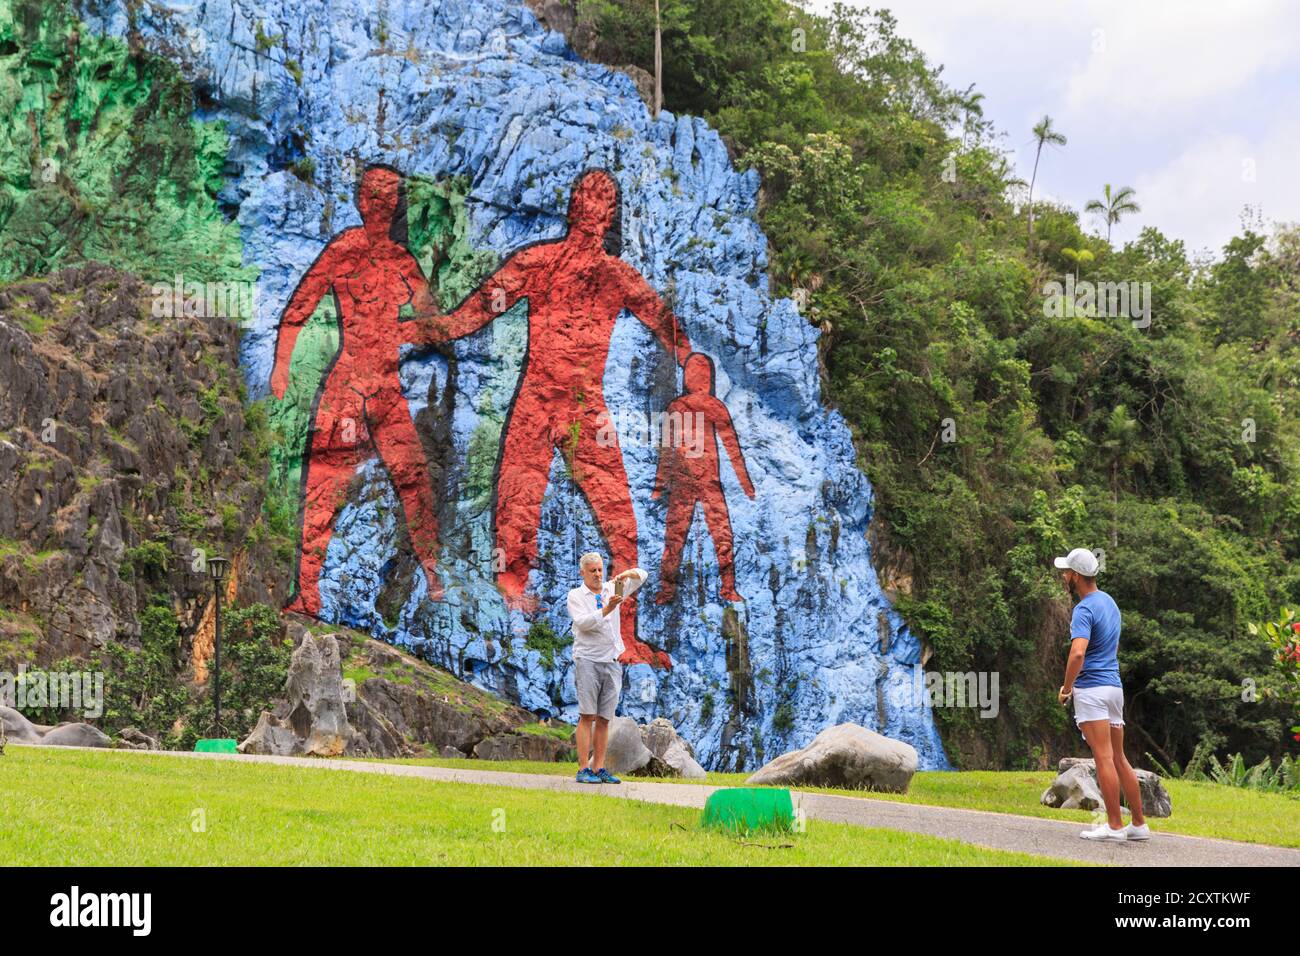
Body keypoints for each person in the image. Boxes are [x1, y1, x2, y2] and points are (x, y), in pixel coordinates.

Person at [412, 170, 690, 668]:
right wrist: (419, 331)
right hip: (538, 396)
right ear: (573, 207)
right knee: (517, 499)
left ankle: (625, 637)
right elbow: (473, 313)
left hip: (585, 404)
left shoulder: (616, 277)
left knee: (622, 525)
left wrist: (694, 364)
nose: (591, 209)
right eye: (585, 198)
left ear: (609, 216)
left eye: (602, 202)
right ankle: (511, 593)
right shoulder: (536, 263)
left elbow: (663, 322)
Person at [269, 164, 447, 615]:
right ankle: (307, 588)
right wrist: (281, 366)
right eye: (374, 194)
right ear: (361, 200)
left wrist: (406, 330)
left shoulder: (403, 260)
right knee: (326, 483)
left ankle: (432, 573)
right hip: (347, 385)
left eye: (390, 195)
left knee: (414, 478)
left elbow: (432, 321)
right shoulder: (344, 250)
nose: (382, 202)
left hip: (387, 390)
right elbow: (298, 306)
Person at [1054, 547, 1150, 842]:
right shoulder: (1109, 602)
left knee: (1104, 758)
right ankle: (1138, 824)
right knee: (1119, 758)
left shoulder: (1083, 609)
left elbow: (1078, 653)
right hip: (1113, 688)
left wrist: (1067, 688)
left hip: (1092, 689)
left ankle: (1114, 826)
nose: (1063, 576)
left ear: (1077, 576)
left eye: (1067, 572)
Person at [652, 352, 756, 604]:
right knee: (694, 538)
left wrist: (746, 486)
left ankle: (722, 588)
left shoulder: (703, 407)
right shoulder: (686, 407)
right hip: (690, 484)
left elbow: (732, 448)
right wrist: (746, 486)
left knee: (704, 537)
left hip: (702, 483)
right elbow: (668, 451)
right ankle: (672, 590)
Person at [566, 552, 647, 784]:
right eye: (592, 571)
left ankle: (599, 767)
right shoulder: (576, 596)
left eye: (600, 569)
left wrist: (628, 573)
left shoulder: (612, 588)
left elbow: (643, 576)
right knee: (587, 715)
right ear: (583, 572)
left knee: (604, 718)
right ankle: (583, 768)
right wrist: (607, 610)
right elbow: (583, 623)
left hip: (611, 660)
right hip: (588, 660)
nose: (597, 574)